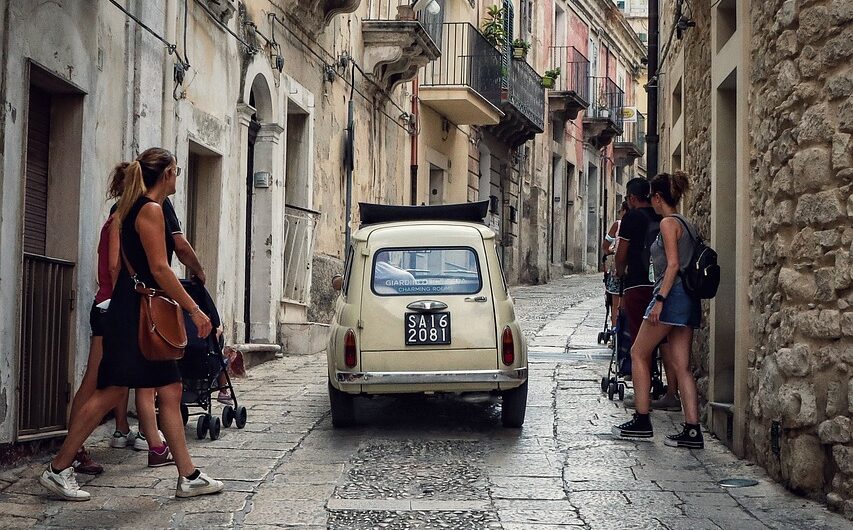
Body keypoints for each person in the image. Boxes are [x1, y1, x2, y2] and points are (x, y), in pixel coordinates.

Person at [39, 148, 224, 501]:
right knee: (110, 389)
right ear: (166, 173)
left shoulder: (131, 207)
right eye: (177, 170)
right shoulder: (150, 210)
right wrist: (195, 310)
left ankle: (188, 475)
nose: (178, 177)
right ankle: (59, 468)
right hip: (138, 314)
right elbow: (159, 268)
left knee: (169, 389)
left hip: (136, 310)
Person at [612, 172, 703, 449]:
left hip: (670, 296)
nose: (650, 201)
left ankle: (641, 419)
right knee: (682, 366)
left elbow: (672, 265)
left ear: (658, 197)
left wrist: (660, 298)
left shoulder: (667, 223)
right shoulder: (688, 224)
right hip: (688, 297)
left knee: (639, 352)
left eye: (652, 196)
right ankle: (692, 429)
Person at [602, 202, 629, 330]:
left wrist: (610, 251)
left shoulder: (618, 224)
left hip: (618, 268)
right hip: (635, 270)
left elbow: (605, 246)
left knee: (615, 303)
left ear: (624, 211)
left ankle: (615, 331)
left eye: (620, 210)